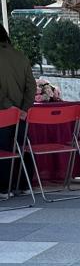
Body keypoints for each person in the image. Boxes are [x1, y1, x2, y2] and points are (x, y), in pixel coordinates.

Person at [0, 23, 36, 194]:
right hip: (22, 114)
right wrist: (24, 109)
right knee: (22, 147)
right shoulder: (20, 56)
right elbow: (32, 86)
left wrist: (11, 107)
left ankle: (4, 188)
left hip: (3, 112)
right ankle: (24, 185)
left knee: (4, 149)